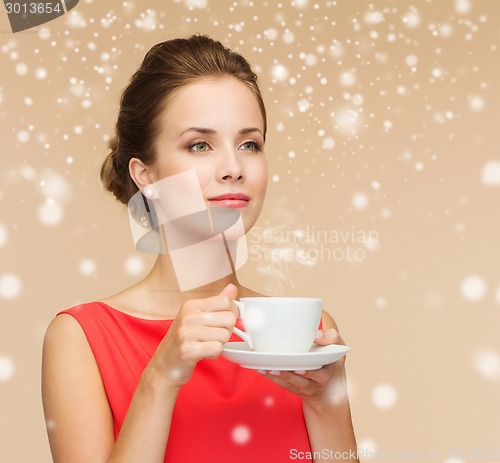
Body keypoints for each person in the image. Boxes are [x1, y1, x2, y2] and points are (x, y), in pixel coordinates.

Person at [41, 34, 359, 463]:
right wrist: (161, 376)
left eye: (250, 144)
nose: (233, 168)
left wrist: (327, 401)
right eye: (199, 145)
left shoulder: (307, 334)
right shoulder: (82, 339)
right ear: (145, 176)